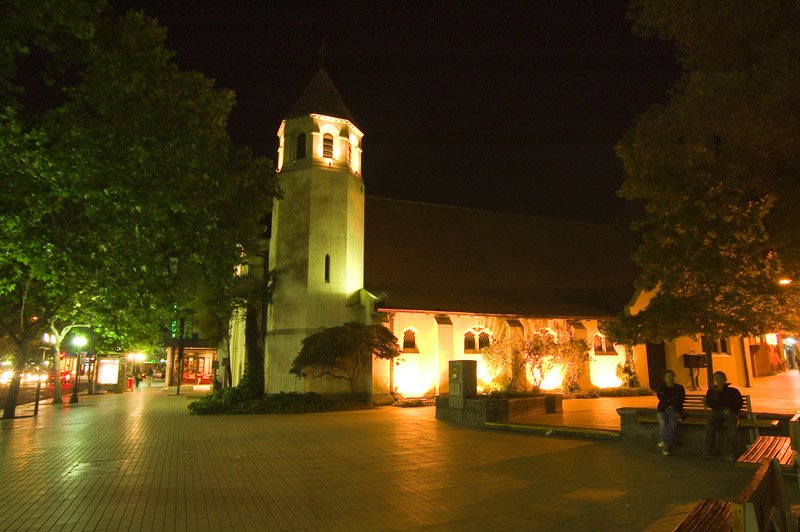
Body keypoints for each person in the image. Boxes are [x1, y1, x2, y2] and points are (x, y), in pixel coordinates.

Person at [703, 371, 743, 461]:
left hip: (731, 413)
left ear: (725, 380)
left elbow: (739, 403)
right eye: (717, 378)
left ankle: (732, 452)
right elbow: (709, 403)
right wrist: (721, 408)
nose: (719, 380)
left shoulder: (733, 391)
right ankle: (710, 451)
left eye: (721, 378)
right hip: (717, 413)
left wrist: (731, 410)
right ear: (714, 380)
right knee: (710, 425)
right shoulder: (711, 391)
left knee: (732, 427)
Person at [656, 369, 685, 456]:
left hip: (675, 410)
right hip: (662, 410)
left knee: (671, 422)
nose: (670, 378)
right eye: (668, 377)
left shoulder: (679, 388)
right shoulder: (662, 388)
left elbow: (680, 400)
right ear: (665, 379)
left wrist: (668, 399)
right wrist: (671, 399)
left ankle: (665, 445)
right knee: (664, 422)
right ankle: (666, 445)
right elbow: (661, 398)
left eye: (671, 376)